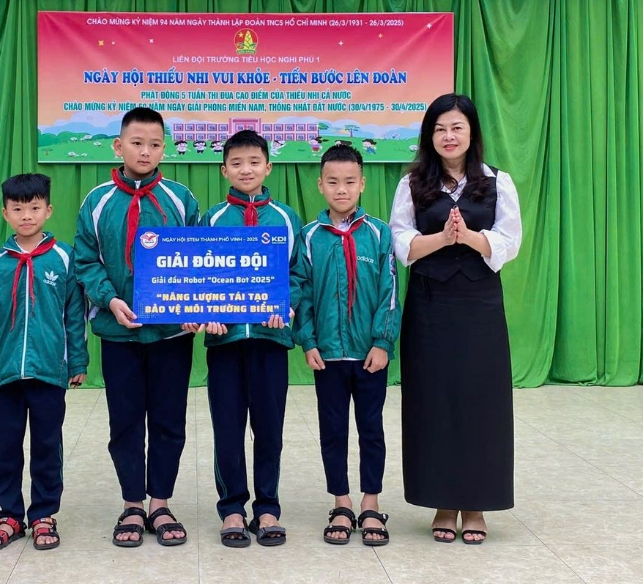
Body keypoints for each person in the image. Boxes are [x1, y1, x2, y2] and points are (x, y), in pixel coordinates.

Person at [388, 93, 522, 545]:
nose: (448, 136)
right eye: (440, 128)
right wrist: (443, 239)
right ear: (430, 135)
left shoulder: (497, 182)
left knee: (481, 403)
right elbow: (401, 243)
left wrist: (472, 237)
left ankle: (476, 503)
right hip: (429, 308)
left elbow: (509, 242)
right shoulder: (412, 184)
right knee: (434, 402)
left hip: (480, 308)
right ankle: (443, 503)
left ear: (471, 133)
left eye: (457, 128)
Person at [73, 107, 202, 547]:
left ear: (164, 148)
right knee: (125, 422)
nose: (145, 151)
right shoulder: (97, 202)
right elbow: (86, 261)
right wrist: (110, 299)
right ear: (119, 145)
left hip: (172, 336)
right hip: (118, 333)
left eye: (154, 144)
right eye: (136, 143)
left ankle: (161, 503)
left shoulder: (182, 199)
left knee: (169, 421)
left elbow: (199, 260)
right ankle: (132, 503)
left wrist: (193, 304)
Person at [0, 173, 89, 552]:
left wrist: (76, 361)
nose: (26, 215)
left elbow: (73, 317)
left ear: (48, 209)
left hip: (49, 372)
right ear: (5, 213)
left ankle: (44, 512)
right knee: (6, 446)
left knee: (48, 444)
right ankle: (10, 514)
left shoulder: (65, 259)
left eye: (34, 208)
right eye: (17, 209)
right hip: (5, 374)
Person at [197, 130, 303, 548]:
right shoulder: (210, 219)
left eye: (254, 162)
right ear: (224, 169)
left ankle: (268, 506)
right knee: (227, 427)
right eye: (237, 163)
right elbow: (197, 276)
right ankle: (233, 509)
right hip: (224, 344)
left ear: (268, 167)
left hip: (270, 340)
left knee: (269, 428)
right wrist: (207, 310)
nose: (246, 170)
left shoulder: (287, 218)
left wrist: (288, 306)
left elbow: (298, 274)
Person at [292, 143, 399, 548]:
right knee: (332, 431)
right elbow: (299, 294)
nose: (341, 190)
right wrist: (307, 341)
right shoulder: (308, 237)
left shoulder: (379, 234)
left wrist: (383, 340)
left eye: (349, 182)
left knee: (371, 429)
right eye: (333, 182)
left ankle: (371, 502)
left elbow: (390, 291)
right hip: (327, 358)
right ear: (320, 185)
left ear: (362, 184)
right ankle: (341, 501)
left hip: (370, 355)